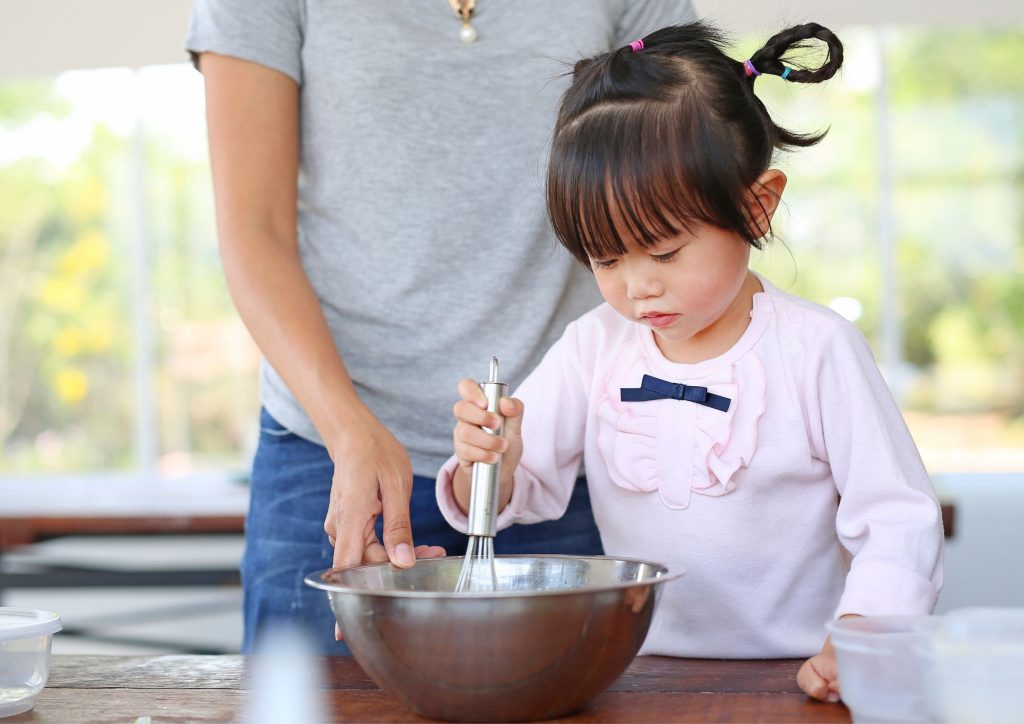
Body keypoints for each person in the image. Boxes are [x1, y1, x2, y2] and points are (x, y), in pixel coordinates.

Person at [439, 20, 944, 703]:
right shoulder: (594, 347)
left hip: (800, 678)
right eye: (605, 259)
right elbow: (505, 499)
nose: (637, 286)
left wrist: (863, 633)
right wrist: (486, 464)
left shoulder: (817, 349)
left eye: (666, 252)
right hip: (633, 679)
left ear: (757, 205)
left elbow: (898, 517)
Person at [185, 0, 697, 653]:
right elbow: (252, 233)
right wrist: (349, 431)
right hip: (330, 447)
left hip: (560, 454)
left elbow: (689, 179)